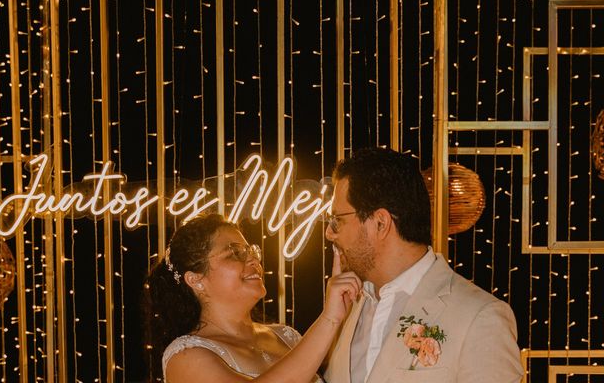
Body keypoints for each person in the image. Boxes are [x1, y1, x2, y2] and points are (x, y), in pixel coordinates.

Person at [323, 147, 523, 383]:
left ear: (380, 223)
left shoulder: (481, 318)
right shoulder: (344, 307)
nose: (329, 233)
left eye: (337, 220)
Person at [143, 213, 362, 382]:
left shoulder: (285, 336)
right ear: (196, 279)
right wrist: (329, 318)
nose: (253, 261)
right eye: (235, 253)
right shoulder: (186, 357)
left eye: (252, 252)